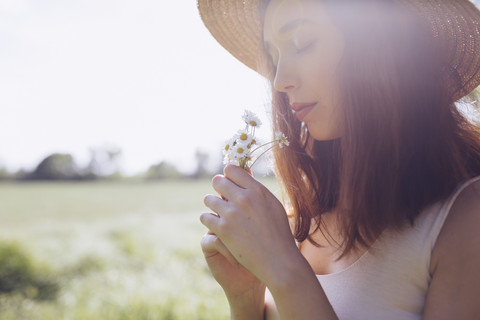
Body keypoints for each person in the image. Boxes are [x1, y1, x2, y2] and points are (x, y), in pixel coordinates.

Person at [198, 0, 480, 319]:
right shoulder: (302, 216)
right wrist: (246, 297)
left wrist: (285, 271)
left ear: (379, 44)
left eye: (302, 43)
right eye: (274, 56)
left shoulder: (465, 218)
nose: (280, 80)